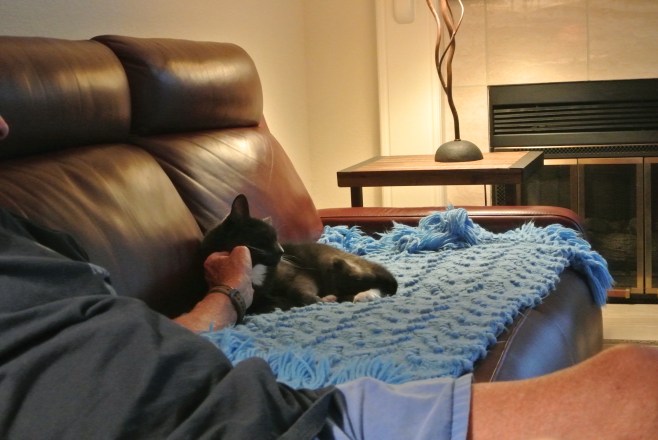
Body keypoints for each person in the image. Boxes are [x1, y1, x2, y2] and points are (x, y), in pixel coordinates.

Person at [0, 197, 656, 439]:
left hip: (278, 408)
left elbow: (128, 343)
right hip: (274, 427)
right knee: (634, 393)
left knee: (635, 380)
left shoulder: (27, 233)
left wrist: (228, 294)